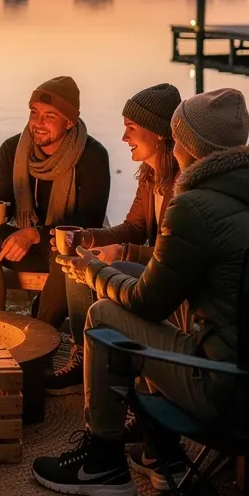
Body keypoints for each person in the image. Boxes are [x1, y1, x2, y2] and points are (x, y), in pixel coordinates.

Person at [32, 87, 249, 496]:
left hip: (231, 392)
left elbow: (147, 303)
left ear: (187, 145)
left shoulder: (195, 204)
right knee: (170, 312)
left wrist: (92, 268)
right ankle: (160, 451)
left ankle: (103, 462)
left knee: (107, 316)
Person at [46, 83, 182, 394]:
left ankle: (115, 366)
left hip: (169, 278)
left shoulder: (182, 184)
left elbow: (174, 255)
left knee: (91, 267)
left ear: (159, 133)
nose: (124, 138)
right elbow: (133, 227)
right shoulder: (151, 176)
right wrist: (88, 237)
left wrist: (122, 252)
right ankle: (83, 352)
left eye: (131, 129)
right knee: (78, 258)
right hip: (150, 267)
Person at [0, 76, 110, 329]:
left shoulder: (92, 156)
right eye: (35, 113)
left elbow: (89, 221)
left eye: (50, 116)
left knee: (65, 251)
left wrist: (34, 235)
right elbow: (6, 199)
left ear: (69, 122)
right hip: (31, 245)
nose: (39, 123)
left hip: (67, 247)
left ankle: (42, 333)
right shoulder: (13, 149)